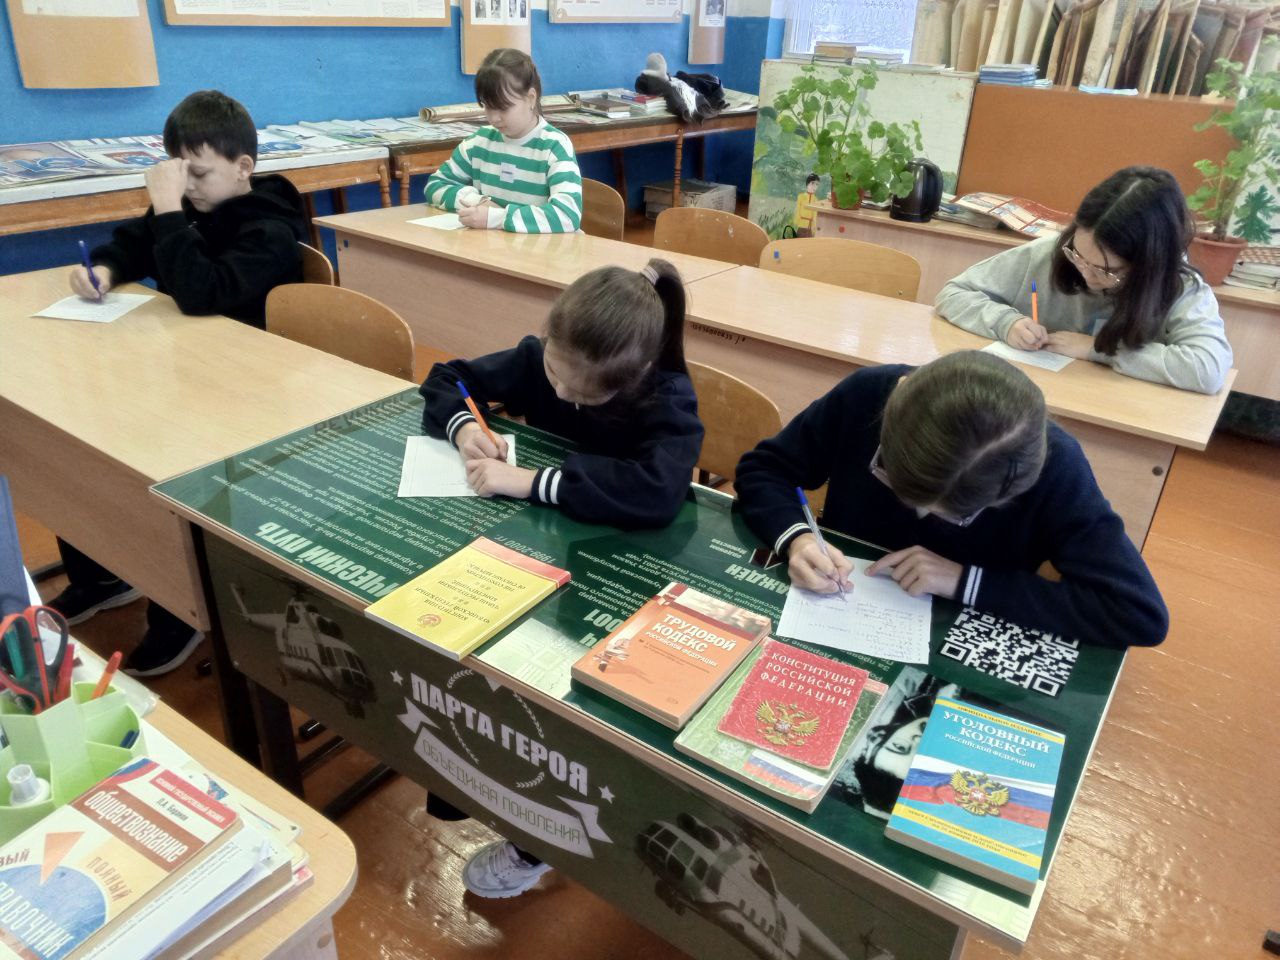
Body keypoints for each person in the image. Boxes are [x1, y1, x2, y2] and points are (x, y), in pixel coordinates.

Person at [419, 258, 703, 898]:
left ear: (631, 377)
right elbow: (448, 377)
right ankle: (473, 786)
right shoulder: (545, 357)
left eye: (583, 396)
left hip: (617, 578)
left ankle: (542, 837)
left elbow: (658, 492)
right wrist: (466, 428)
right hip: (532, 557)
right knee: (477, 667)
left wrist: (531, 481)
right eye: (553, 377)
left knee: (569, 713)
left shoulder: (666, 397)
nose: (562, 395)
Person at [53, 90, 308, 678]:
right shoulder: (192, 206)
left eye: (199, 174)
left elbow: (202, 294)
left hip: (252, 390)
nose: (187, 187)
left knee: (155, 460)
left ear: (243, 168)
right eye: (179, 174)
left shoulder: (270, 228)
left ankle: (182, 608)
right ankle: (101, 575)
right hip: (187, 370)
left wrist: (169, 209)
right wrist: (104, 270)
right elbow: (132, 243)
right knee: (79, 434)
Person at [734, 351, 1169, 649]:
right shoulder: (869, 395)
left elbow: (1136, 612)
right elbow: (764, 469)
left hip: (958, 634)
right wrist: (798, 539)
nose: (920, 516)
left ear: (1011, 491)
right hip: (832, 614)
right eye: (895, 482)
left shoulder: (1056, 467)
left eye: (954, 516)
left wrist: (965, 581)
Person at [935, 166, 1232, 394]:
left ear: (1148, 266)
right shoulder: (1051, 252)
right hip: (1034, 399)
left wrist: (1098, 349)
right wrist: (1006, 323)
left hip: (1121, 415)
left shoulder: (1182, 289)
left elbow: (1208, 369)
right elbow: (955, 292)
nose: (1085, 273)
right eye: (1078, 255)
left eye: (1106, 270)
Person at [423, 49, 581, 234]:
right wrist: (479, 202)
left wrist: (496, 217)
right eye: (487, 107)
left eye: (503, 108)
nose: (494, 118)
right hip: (495, 247)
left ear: (531, 98)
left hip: (543, 249)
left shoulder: (554, 146)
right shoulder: (480, 142)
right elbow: (435, 185)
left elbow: (567, 215)